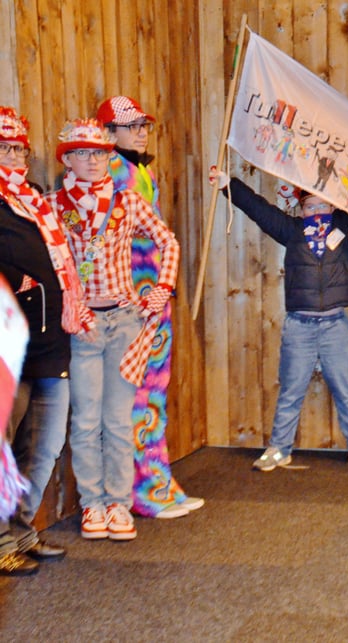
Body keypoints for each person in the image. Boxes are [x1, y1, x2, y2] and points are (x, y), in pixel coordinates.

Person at [47, 118, 180, 541]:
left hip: (124, 323)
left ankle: (119, 503)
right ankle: (93, 503)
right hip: (82, 326)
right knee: (86, 420)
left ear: (109, 157)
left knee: (119, 420)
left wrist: (162, 289)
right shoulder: (53, 206)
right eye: (82, 153)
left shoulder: (128, 201)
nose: (92, 161)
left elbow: (168, 242)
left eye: (100, 153)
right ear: (67, 159)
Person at [209, 167, 348, 472]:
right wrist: (227, 185)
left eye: (322, 206)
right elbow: (259, 209)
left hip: (335, 324)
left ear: (333, 208)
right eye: (310, 207)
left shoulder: (345, 226)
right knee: (290, 389)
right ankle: (279, 448)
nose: (316, 212)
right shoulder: (291, 231)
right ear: (301, 210)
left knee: (346, 389)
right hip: (299, 326)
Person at [98, 95, 203, 519]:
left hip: (154, 292)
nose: (142, 133)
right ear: (108, 133)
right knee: (137, 393)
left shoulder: (142, 170)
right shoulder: (109, 171)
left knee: (154, 389)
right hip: (132, 297)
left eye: (144, 126)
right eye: (132, 126)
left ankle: (158, 480)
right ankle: (140, 489)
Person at [0, 106, 80, 574]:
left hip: (50, 345)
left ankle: (22, 530)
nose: (14, 156)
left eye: (20, 149)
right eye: (5, 148)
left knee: (41, 448)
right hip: (10, 348)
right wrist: (18, 282)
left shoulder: (33, 200)